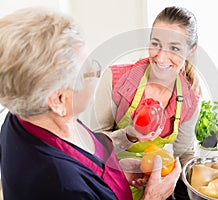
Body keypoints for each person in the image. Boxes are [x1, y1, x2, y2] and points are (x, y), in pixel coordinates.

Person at [0, 7, 181, 200]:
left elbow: (85, 151)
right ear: (59, 100)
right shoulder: (62, 188)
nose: (97, 73)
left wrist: (124, 153)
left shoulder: (29, 111)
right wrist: (153, 197)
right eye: (89, 71)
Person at [93, 6, 201, 200]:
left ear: (191, 50)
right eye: (156, 43)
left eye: (175, 48)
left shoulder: (190, 98)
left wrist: (200, 189)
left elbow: (184, 154)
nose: (160, 57)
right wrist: (130, 134)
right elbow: (95, 148)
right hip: (109, 187)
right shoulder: (115, 80)